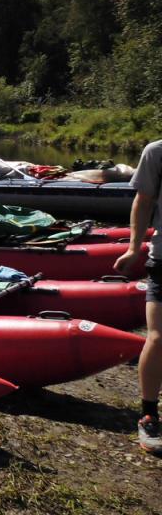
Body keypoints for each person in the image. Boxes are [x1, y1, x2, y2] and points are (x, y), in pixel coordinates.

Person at [114, 139, 162, 456]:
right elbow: (142, 202)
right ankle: (149, 414)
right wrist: (133, 248)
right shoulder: (156, 153)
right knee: (157, 337)